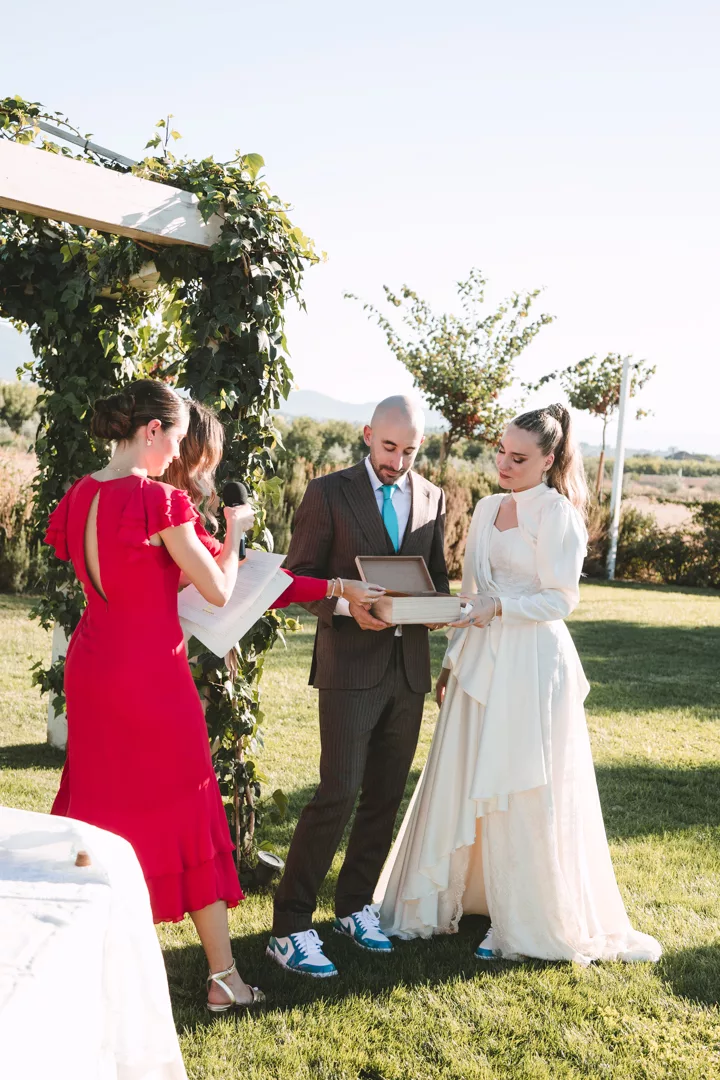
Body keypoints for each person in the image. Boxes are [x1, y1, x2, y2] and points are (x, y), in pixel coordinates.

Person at [376, 404, 662, 966]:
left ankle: (524, 914)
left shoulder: (558, 514)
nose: (504, 464)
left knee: (521, 781)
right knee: (465, 771)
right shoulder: (485, 508)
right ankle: (456, 896)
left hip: (532, 661)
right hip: (480, 659)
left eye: (519, 457)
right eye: (500, 452)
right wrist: (452, 661)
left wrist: (499, 607)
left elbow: (561, 599)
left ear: (548, 460)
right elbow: (471, 589)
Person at [45, 380, 263, 1013]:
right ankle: (224, 980)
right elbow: (219, 590)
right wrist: (236, 532)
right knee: (189, 808)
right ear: (149, 432)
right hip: (150, 675)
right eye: (174, 438)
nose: (177, 453)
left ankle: (84, 964)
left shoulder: (80, 495)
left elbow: (121, 574)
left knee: (98, 808)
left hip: (93, 668)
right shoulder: (159, 502)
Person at [266, 395, 450, 977]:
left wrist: (447, 609)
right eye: (389, 446)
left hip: (409, 669)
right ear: (368, 435)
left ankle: (353, 905)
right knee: (337, 793)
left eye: (410, 450)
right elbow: (295, 578)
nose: (398, 461)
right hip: (349, 666)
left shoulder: (434, 497)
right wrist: (350, 609)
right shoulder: (328, 492)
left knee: (384, 796)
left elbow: (436, 579)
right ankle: (290, 925)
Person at [163, 399, 386, 609]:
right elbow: (247, 585)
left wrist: (339, 588)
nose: (209, 473)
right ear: (189, 456)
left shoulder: (148, 498)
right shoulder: (175, 513)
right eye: (208, 461)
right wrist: (235, 528)